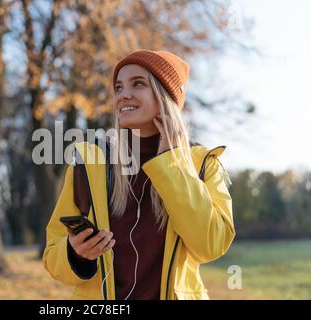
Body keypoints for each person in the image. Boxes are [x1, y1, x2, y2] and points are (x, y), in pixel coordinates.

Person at [43, 49, 235, 300]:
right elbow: (52, 255)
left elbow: (210, 245)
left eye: (138, 84)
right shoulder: (89, 162)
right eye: (119, 87)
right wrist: (75, 252)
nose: (124, 95)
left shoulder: (204, 164)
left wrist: (171, 164)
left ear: (166, 95)